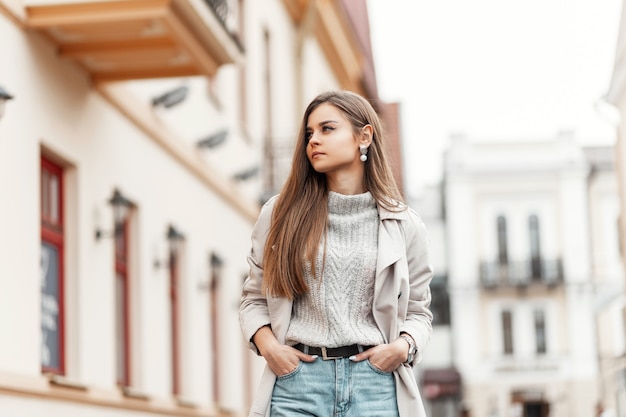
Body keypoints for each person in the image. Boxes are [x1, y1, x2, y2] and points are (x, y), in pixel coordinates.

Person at [239, 90, 433, 417]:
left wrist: (402, 348)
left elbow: (418, 311)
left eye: (327, 129)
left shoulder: (404, 224)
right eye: (310, 133)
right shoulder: (280, 214)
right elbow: (253, 298)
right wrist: (270, 347)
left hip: (375, 384)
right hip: (297, 383)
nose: (314, 140)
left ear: (364, 136)